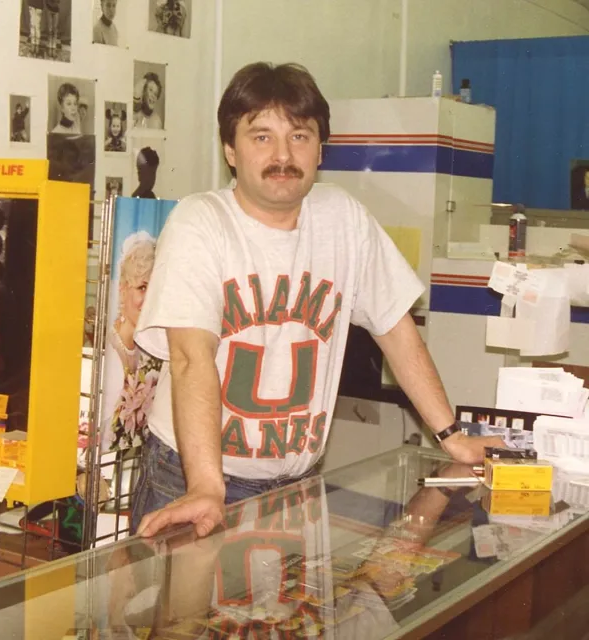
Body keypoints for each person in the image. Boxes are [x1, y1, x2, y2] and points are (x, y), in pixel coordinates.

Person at [131, 62, 505, 539]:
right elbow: (189, 357)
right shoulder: (199, 222)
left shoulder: (343, 218)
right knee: (183, 617)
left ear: (320, 148)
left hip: (295, 484)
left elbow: (396, 329)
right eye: (261, 136)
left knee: (289, 617)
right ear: (230, 149)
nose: (283, 154)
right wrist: (206, 485)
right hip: (191, 477)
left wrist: (453, 437)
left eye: (300, 136)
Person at [102, 231, 159, 451]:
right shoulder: (108, 352)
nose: (148, 299)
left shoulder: (149, 348)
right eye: (142, 287)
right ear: (122, 288)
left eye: (154, 289)